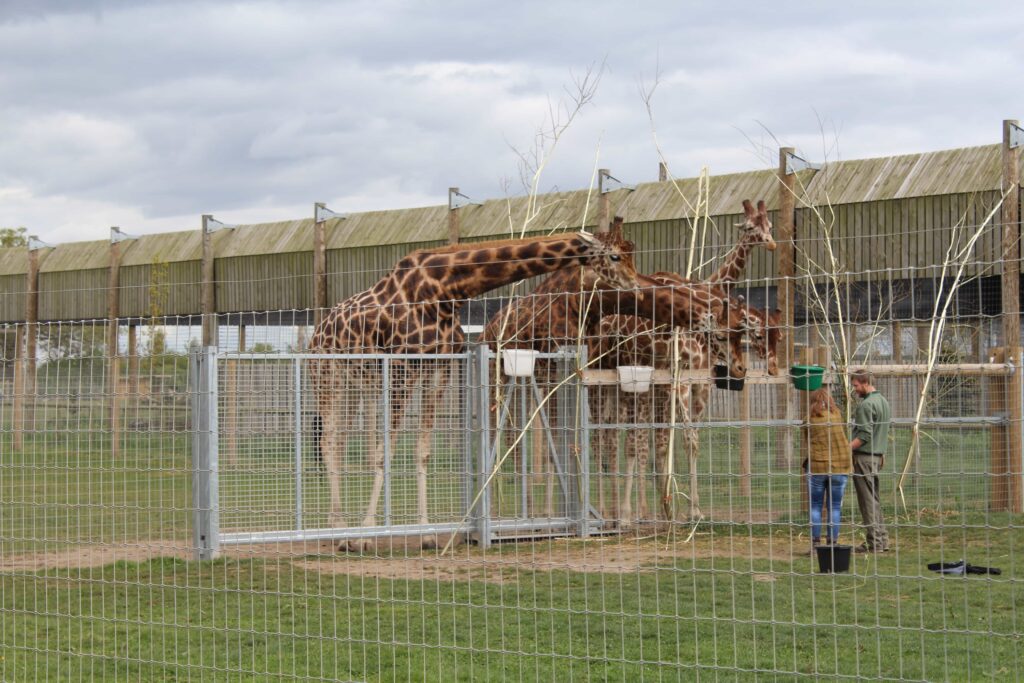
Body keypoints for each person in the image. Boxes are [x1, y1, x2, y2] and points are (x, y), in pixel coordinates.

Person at [849, 369, 891, 553]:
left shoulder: (866, 405)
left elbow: (864, 435)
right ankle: (882, 540)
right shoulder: (883, 401)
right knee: (874, 500)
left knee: (867, 502)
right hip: (877, 456)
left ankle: (874, 543)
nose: (854, 390)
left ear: (865, 382)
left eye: (856, 386)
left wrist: (845, 449)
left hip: (864, 457)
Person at [805, 388, 853, 548]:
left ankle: (815, 545)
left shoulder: (808, 419)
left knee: (816, 506)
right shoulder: (837, 415)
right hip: (840, 465)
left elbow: (807, 441)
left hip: (818, 466)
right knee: (834, 506)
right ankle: (832, 543)